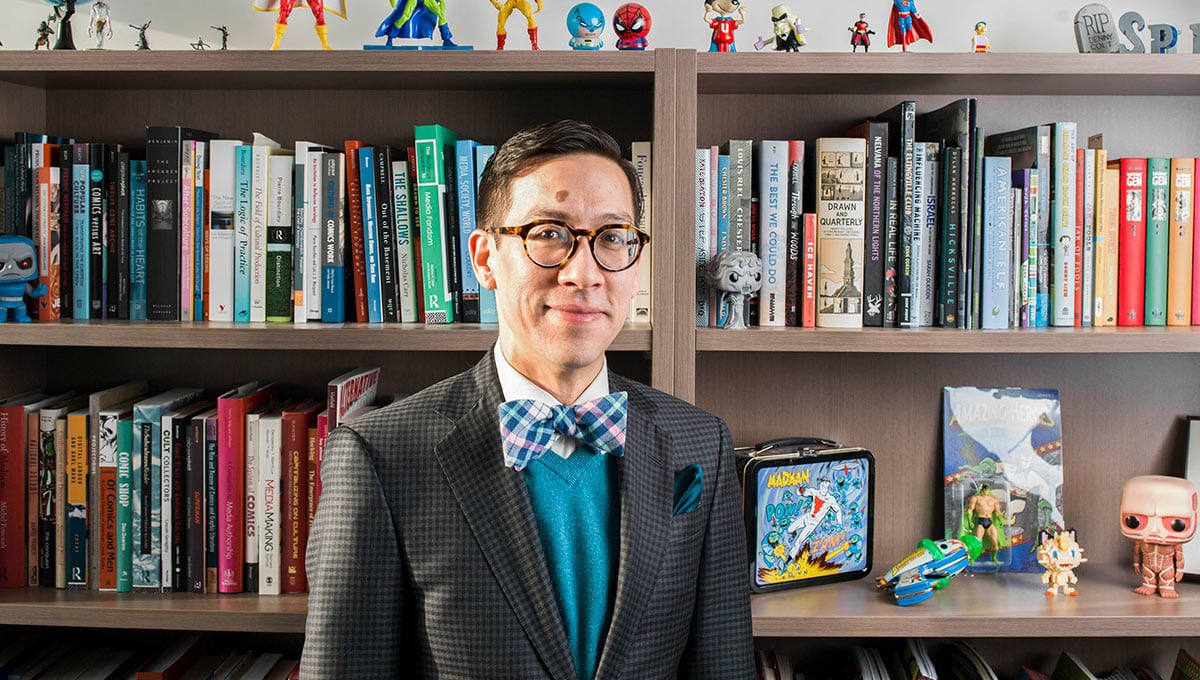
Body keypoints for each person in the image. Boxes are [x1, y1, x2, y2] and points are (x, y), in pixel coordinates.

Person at [302, 119, 754, 679]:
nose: (582, 273)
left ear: (635, 263)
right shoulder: (379, 455)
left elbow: (723, 664)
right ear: (486, 258)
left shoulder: (700, 441)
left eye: (613, 237)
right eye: (549, 233)